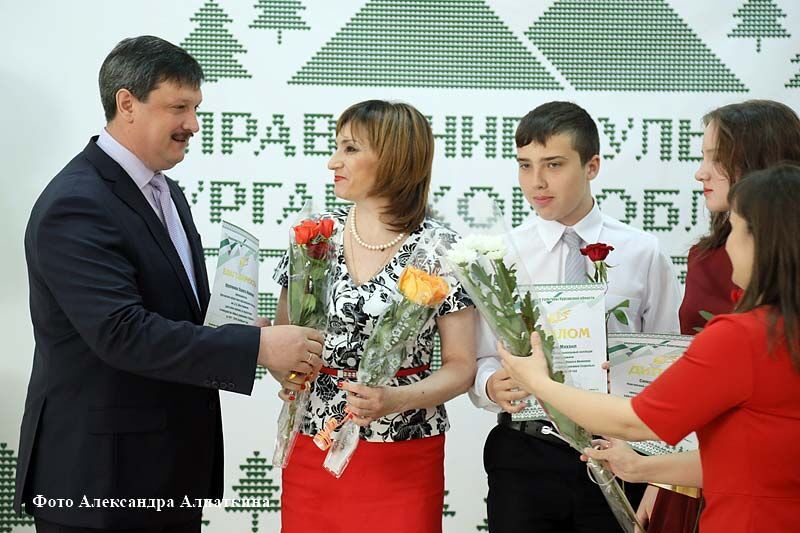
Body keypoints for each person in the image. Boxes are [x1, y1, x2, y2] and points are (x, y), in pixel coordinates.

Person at [15, 36, 324, 533]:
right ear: (126, 104)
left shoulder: (167, 192)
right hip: (100, 482)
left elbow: (173, 314)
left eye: (196, 107)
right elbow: (121, 332)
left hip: (166, 470)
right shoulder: (77, 203)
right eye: (179, 107)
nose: (193, 124)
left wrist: (243, 331)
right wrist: (258, 348)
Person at [499, 163, 800, 533]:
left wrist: (539, 382)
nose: (727, 246)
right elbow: (752, 460)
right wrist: (643, 468)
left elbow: (633, 421)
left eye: (734, 230)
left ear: (764, 242)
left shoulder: (743, 338)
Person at [468, 101, 681, 533]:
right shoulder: (502, 254)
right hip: (526, 451)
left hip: (617, 451)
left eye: (554, 164)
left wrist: (651, 458)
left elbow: (666, 364)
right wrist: (491, 384)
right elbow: (482, 357)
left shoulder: (642, 252)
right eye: (525, 166)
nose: (536, 182)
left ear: (592, 166)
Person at [273, 100, 476, 533]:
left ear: (394, 158)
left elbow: (461, 367)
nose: (333, 161)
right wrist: (283, 368)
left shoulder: (441, 249)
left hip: (404, 451)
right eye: (336, 147)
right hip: (314, 443)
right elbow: (285, 343)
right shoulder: (314, 237)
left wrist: (395, 400)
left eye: (350, 149)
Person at [638, 100, 800, 532]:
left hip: (764, 484)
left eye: (716, 159)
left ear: (760, 163)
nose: (700, 173)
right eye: (702, 157)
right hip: (690, 470)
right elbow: (687, 383)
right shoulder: (706, 257)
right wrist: (661, 474)